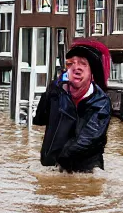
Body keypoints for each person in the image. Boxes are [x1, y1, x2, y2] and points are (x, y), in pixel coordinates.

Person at [34, 39, 112, 173]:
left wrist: (59, 162)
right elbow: (40, 119)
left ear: (92, 75)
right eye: (72, 63)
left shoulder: (101, 103)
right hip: (50, 167)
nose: (77, 68)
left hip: (83, 172)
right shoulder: (55, 91)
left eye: (83, 64)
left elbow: (87, 140)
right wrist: (50, 92)